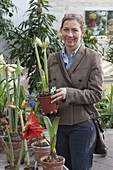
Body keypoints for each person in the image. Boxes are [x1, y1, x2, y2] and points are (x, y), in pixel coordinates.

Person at [48, 13, 104, 170]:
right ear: (61, 31)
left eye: (75, 30)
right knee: (62, 167)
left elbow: (96, 94)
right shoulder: (53, 58)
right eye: (66, 30)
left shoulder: (93, 57)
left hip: (83, 124)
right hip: (58, 125)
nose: (70, 35)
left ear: (83, 32)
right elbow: (50, 88)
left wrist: (68, 93)